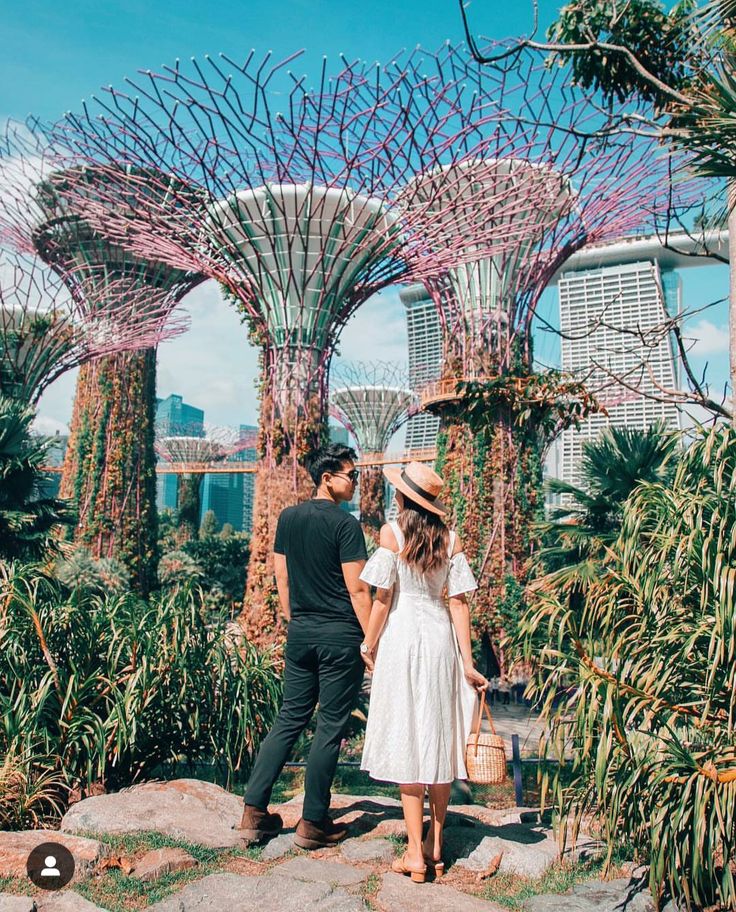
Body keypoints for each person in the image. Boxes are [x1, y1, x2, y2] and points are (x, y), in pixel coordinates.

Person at [358, 462, 488, 883]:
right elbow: (459, 603)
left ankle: (414, 853)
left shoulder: (391, 534)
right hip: (439, 644)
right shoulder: (451, 539)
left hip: (401, 641)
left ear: (403, 499)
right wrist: (467, 662)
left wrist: (368, 643)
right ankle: (436, 844)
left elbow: (382, 599)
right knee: (438, 736)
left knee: (408, 739)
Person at [239, 443, 372, 850]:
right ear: (327, 478)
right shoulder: (346, 525)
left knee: (289, 719)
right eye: (351, 475)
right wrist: (372, 641)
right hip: (340, 637)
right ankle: (314, 821)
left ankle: (253, 812)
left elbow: (281, 577)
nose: (356, 482)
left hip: (300, 634)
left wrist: (295, 619)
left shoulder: (288, 518)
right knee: (330, 727)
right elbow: (358, 588)